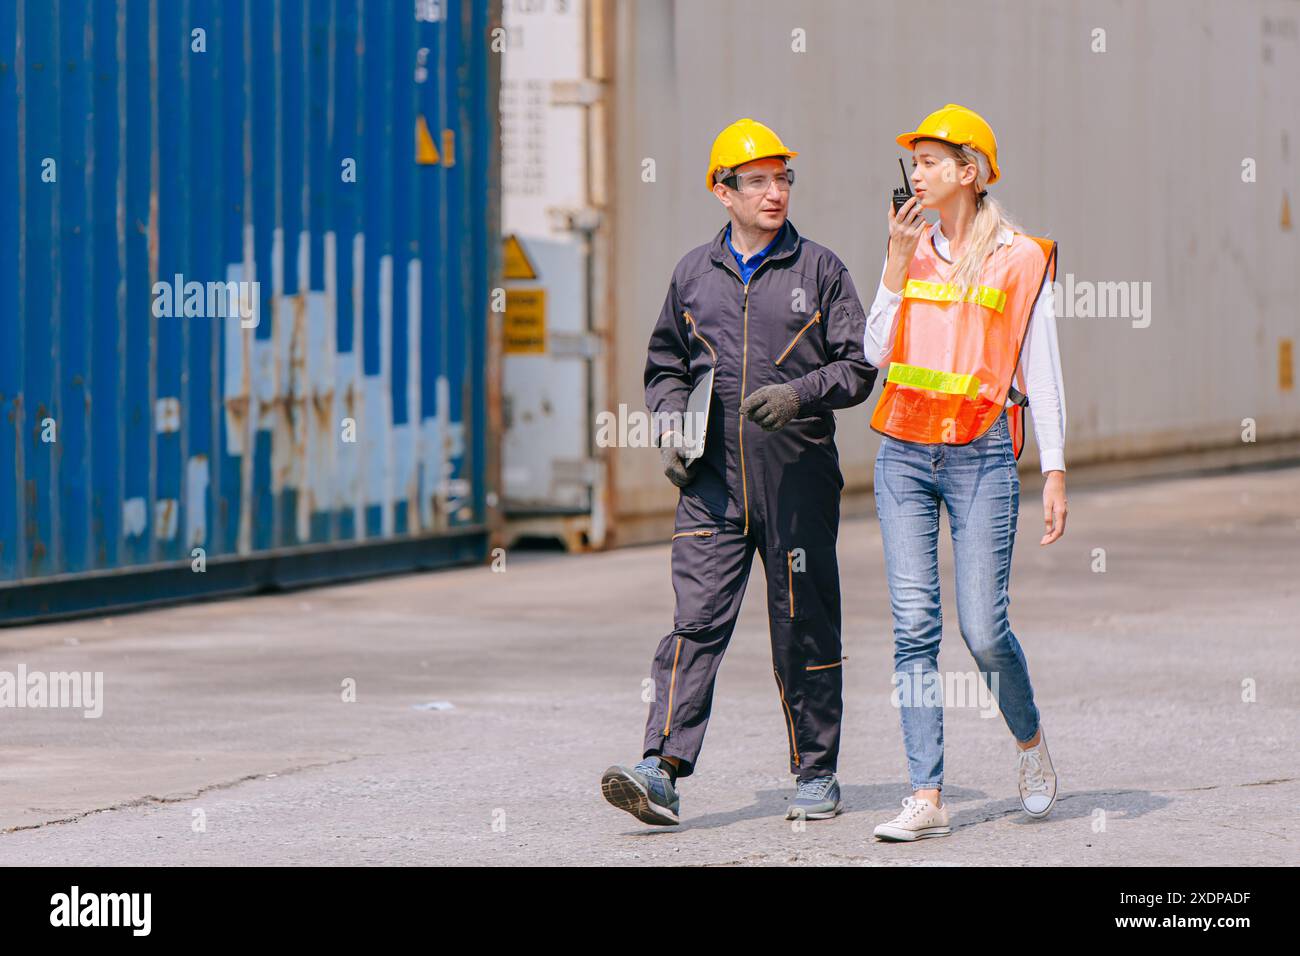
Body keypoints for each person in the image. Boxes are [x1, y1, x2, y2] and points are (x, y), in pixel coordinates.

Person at [600, 118, 877, 825]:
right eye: (756, 181)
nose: (774, 192)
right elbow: (665, 366)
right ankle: (659, 771)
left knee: (804, 626)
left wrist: (799, 393)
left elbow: (859, 368)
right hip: (712, 488)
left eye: (782, 178)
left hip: (797, 484)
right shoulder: (693, 274)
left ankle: (815, 773)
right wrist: (669, 423)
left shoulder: (821, 270)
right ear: (722, 192)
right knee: (693, 626)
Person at [863, 104, 1068, 841]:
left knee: (983, 629)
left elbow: (1039, 370)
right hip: (904, 456)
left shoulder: (1018, 256)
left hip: (982, 453)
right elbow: (873, 351)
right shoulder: (909, 247)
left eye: (929, 160)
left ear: (969, 172)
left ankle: (1029, 742)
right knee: (914, 626)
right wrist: (891, 263)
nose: (915, 172)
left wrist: (1056, 469)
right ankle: (927, 797)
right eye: (912, 161)